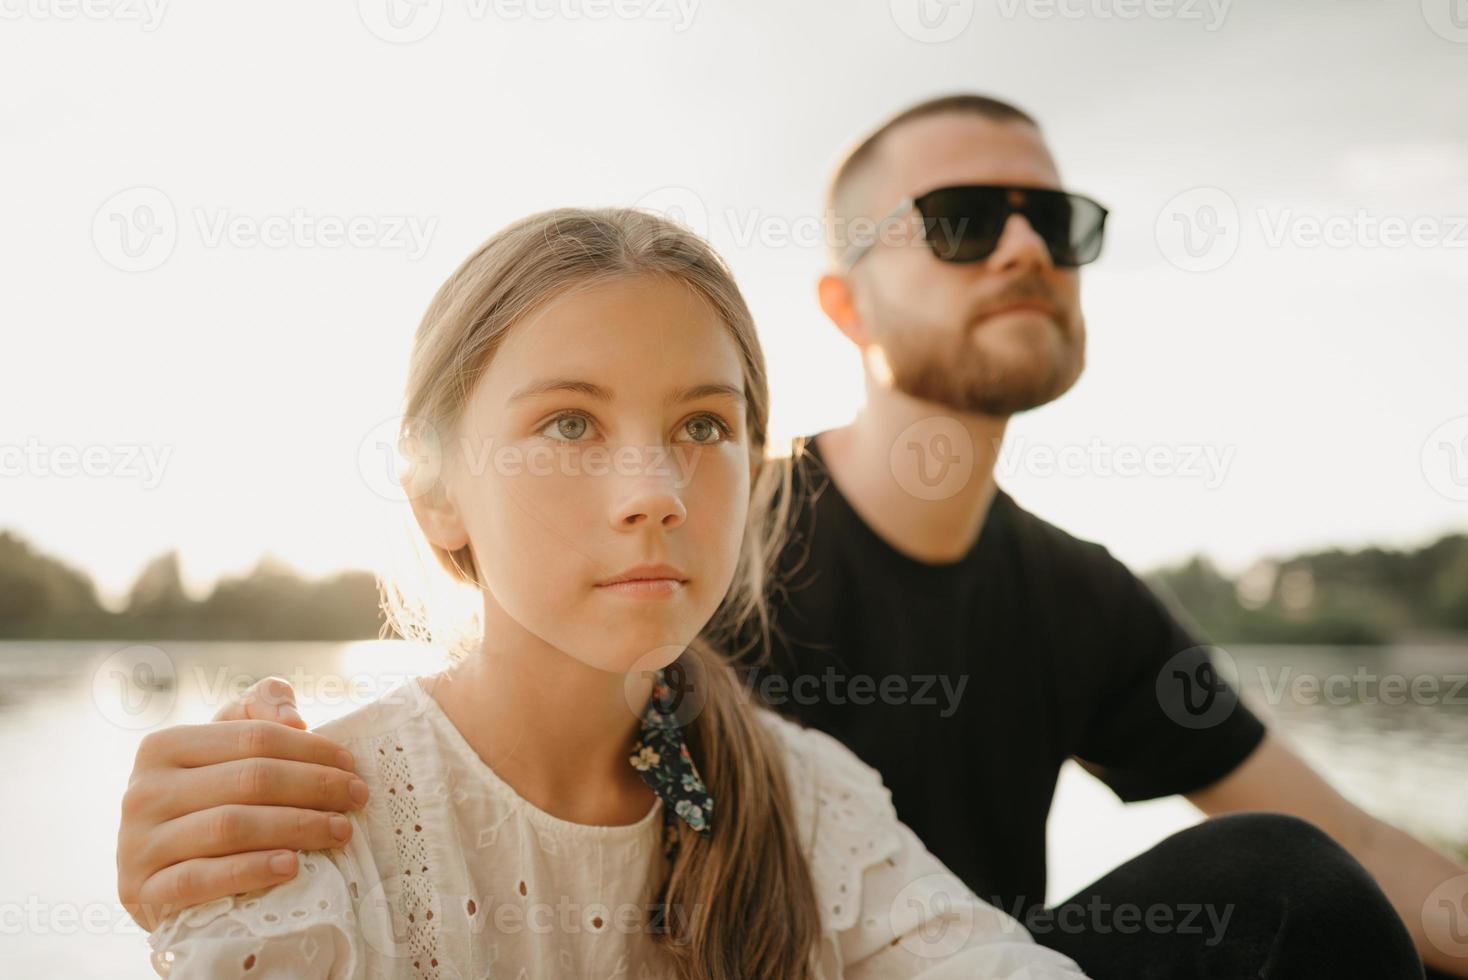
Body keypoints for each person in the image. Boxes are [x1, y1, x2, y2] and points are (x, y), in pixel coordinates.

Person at [119, 96, 1445, 977]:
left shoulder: (1070, 599)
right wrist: (187, 846)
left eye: (1063, 222)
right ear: (844, 300)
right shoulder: (677, 549)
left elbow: (1357, 855)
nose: (1026, 250)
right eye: (966, 219)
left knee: (1291, 891)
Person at [137, 206, 1091, 979]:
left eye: (704, 427)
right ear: (436, 492)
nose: (655, 495)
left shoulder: (807, 798)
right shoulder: (314, 827)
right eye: (568, 424)